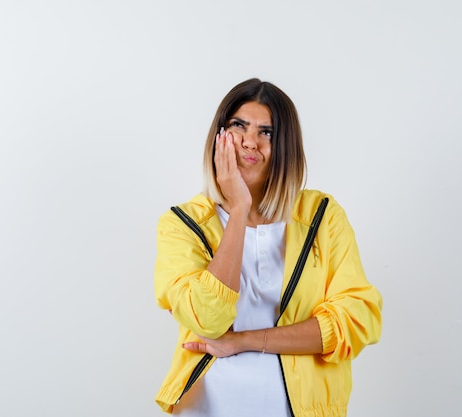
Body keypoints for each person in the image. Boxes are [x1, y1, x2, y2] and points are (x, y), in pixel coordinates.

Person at [153, 78, 382, 417]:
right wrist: (240, 210)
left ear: (286, 145)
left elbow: (357, 321)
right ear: (219, 136)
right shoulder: (182, 224)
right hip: (208, 407)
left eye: (267, 132)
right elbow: (207, 319)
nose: (250, 142)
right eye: (238, 126)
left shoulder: (322, 216)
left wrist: (244, 340)